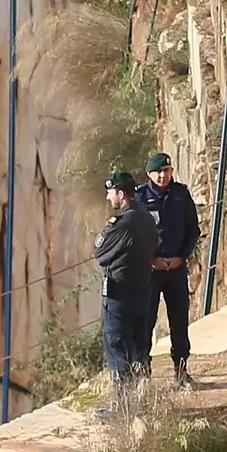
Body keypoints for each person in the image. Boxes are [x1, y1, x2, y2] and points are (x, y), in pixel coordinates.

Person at [93, 171, 159, 413]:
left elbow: (100, 254)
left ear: (121, 194)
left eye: (111, 193)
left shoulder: (123, 224)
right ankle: (141, 401)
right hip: (142, 290)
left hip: (120, 296)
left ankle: (121, 407)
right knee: (139, 347)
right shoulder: (147, 219)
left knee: (118, 348)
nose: (109, 198)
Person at [136, 152, 202, 390]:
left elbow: (193, 230)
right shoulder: (139, 198)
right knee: (145, 323)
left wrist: (181, 257)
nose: (163, 176)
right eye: (158, 172)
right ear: (149, 174)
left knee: (179, 322)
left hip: (175, 269)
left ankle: (182, 373)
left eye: (167, 170)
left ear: (172, 171)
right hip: (149, 272)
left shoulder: (181, 195)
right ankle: (143, 376)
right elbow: (133, 235)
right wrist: (150, 259)